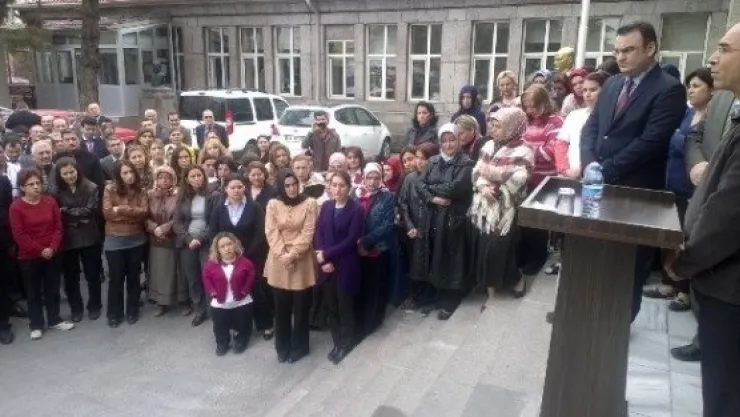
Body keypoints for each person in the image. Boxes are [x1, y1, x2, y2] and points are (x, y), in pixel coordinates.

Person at [580, 21, 687, 322]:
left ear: (650, 48)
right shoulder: (613, 84)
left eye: (628, 50)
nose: (620, 57)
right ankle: (586, 313)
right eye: (616, 51)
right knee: (593, 257)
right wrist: (588, 164)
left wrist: (605, 170)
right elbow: (592, 129)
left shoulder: (669, 89)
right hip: (597, 189)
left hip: (636, 194)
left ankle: (618, 326)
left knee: (627, 267)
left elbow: (650, 142)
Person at [664, 22, 740, 417]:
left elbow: (728, 215)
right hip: (715, 279)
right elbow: (696, 141)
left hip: (730, 285)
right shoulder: (725, 104)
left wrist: (684, 260)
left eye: (724, 49)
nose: (712, 58)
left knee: (726, 394)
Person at [644, 67, 714, 311]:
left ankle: (684, 291)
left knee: (687, 239)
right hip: (671, 182)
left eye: (697, 86)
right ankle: (668, 284)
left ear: (711, 90)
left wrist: (679, 141)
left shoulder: (713, 119)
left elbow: (694, 148)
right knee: (668, 236)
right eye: (689, 86)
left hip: (692, 189)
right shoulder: (687, 113)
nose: (691, 91)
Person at [469, 108, 533, 301]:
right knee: (485, 246)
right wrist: (483, 186)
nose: (492, 129)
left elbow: (520, 178)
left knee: (499, 247)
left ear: (512, 127)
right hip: (485, 204)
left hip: (507, 207)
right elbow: (477, 171)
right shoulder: (488, 145)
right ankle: (489, 288)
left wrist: (493, 177)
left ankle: (516, 278)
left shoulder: (525, 150)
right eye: (492, 125)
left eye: (498, 126)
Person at [411, 123, 474, 320]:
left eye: (452, 140)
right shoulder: (433, 161)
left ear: (458, 140)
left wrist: (431, 187)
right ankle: (435, 295)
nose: (448, 145)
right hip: (432, 215)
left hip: (452, 217)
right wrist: (433, 198)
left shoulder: (466, 163)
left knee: (450, 256)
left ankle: (451, 298)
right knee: (433, 254)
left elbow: (456, 188)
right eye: (444, 141)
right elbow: (419, 183)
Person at [11, 168, 75, 340]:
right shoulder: (16, 207)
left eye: (38, 183)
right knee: (33, 292)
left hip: (52, 253)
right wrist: (40, 250)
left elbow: (58, 227)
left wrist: (52, 248)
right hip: (29, 256)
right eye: (30, 184)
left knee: (52, 288)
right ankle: (36, 325)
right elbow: (19, 234)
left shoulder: (50, 201)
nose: (35, 187)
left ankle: (54, 319)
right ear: (22, 187)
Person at [264, 169, 318, 363]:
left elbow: (308, 232)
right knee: (281, 308)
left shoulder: (310, 203)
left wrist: (293, 254)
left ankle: (300, 346)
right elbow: (271, 232)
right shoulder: (273, 204)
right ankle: (282, 346)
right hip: (278, 260)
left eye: (294, 184)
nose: (292, 188)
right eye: (287, 185)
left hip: (301, 260)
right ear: (281, 186)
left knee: (301, 307)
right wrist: (283, 255)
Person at [209, 174, 269, 335]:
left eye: (240, 187)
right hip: (227, 257)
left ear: (245, 188)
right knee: (234, 289)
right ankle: (238, 326)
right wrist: (221, 254)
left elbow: (260, 234)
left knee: (257, 289)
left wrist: (244, 255)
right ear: (226, 189)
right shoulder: (219, 208)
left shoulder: (254, 207)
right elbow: (213, 232)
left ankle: (265, 324)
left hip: (252, 255)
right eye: (232, 187)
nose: (236, 190)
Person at [315, 170, 364, 364]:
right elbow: (319, 232)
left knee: (344, 305)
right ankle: (337, 341)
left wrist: (326, 255)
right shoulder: (326, 206)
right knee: (331, 305)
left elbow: (351, 240)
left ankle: (346, 342)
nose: (337, 189)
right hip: (327, 265)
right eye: (334, 185)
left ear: (349, 187)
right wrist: (323, 260)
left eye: (342, 185)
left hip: (346, 264)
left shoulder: (356, 210)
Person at [518, 84, 562, 275]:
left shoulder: (555, 121)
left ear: (543, 102)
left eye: (533, 106)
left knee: (538, 221)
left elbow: (551, 151)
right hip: (525, 177)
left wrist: (527, 151)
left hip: (544, 180)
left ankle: (537, 257)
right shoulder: (526, 121)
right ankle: (524, 255)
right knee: (524, 220)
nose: (530, 110)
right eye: (526, 106)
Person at [53, 157, 103, 323]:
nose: (70, 176)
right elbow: (55, 214)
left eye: (72, 172)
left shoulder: (91, 187)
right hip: (67, 238)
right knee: (70, 276)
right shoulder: (55, 191)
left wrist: (66, 211)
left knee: (92, 274)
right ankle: (76, 308)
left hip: (89, 236)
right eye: (65, 173)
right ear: (59, 175)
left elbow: (90, 210)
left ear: (78, 170)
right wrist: (74, 215)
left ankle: (95, 305)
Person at [102, 160, 149, 328]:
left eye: (131, 172)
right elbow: (108, 213)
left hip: (136, 239)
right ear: (118, 175)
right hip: (115, 240)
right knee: (116, 278)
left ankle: (132, 310)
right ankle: (114, 313)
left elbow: (143, 213)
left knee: (134, 277)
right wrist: (131, 214)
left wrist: (120, 209)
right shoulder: (110, 189)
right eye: (125, 173)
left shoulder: (141, 190)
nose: (129, 176)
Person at [354, 162, 396, 337]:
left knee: (375, 287)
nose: (372, 182)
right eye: (369, 177)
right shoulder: (356, 195)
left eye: (376, 178)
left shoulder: (388, 197)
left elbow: (387, 225)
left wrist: (365, 242)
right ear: (364, 177)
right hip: (356, 250)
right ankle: (360, 321)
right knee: (361, 286)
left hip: (376, 248)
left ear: (381, 179)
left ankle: (372, 322)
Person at [397, 142, 440, 310]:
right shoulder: (410, 179)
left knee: (432, 263)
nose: (419, 162)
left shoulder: (437, 179)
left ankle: (433, 298)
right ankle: (417, 298)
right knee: (416, 265)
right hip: (415, 229)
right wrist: (409, 225)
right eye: (417, 158)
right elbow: (403, 204)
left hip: (432, 230)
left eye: (424, 158)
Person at [203, 232, 256, 356]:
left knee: (243, 323)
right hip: (220, 301)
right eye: (222, 246)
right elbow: (206, 278)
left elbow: (251, 275)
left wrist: (245, 290)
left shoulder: (245, 262)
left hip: (241, 300)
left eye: (229, 244)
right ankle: (222, 342)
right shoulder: (210, 265)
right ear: (217, 249)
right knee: (220, 325)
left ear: (235, 245)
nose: (227, 248)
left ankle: (241, 339)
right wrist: (213, 292)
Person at [173, 165, 212, 327]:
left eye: (199, 175)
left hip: (206, 241)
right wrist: (189, 239)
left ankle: (212, 308)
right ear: (187, 180)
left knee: (208, 275)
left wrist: (200, 238)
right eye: (193, 176)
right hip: (187, 242)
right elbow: (177, 223)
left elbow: (214, 221)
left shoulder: (212, 195)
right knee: (193, 278)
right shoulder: (182, 197)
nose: (197, 179)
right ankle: (199, 309)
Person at [554, 71, 610, 179]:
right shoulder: (574, 115)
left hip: (598, 178)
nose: (587, 94)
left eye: (593, 90)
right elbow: (560, 143)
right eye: (585, 90)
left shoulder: (612, 118)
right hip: (569, 176)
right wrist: (565, 170)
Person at [146, 166, 185, 316]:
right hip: (156, 239)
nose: (164, 180)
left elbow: (180, 216)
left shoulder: (179, 194)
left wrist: (165, 228)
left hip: (175, 238)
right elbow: (144, 216)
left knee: (179, 272)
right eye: (161, 177)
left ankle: (183, 301)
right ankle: (161, 302)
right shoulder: (149, 194)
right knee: (160, 273)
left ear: (173, 179)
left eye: (167, 177)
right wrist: (154, 228)